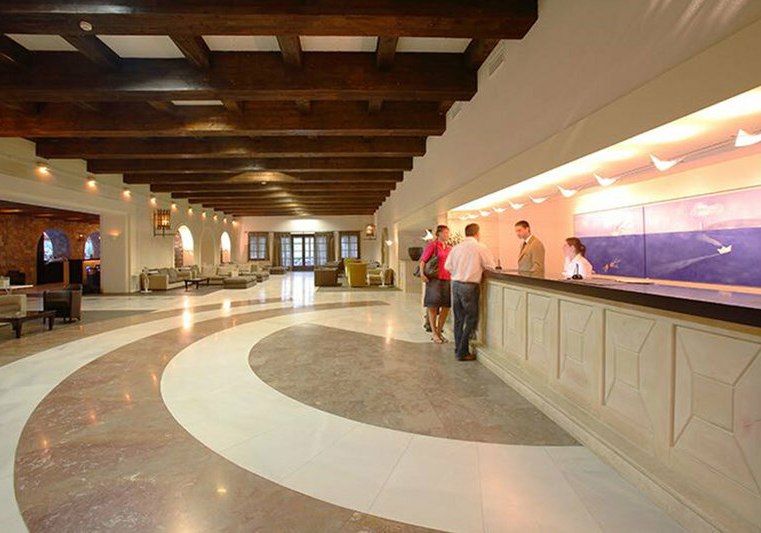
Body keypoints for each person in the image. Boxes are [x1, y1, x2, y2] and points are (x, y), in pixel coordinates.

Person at [444, 223, 496, 361]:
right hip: (469, 286)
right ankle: (462, 351)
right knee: (471, 318)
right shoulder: (480, 247)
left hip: (455, 285)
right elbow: (491, 266)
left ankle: (458, 348)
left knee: (458, 319)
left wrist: (458, 272)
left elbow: (447, 266)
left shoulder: (456, 248)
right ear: (477, 233)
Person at [420, 225, 452, 344]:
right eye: (445, 232)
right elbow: (423, 261)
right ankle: (434, 333)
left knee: (446, 306)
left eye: (448, 232)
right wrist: (422, 274)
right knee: (433, 306)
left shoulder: (449, 248)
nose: (447, 235)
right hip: (434, 280)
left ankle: (439, 332)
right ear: (439, 234)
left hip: (447, 279)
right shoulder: (433, 246)